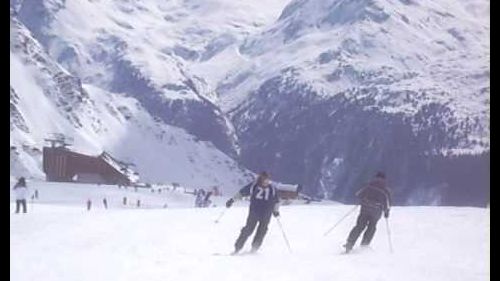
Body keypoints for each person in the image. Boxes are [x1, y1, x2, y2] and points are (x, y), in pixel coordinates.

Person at [225, 172, 280, 254]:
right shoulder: (253, 186)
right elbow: (241, 193)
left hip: (266, 212)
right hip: (255, 211)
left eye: (267, 180)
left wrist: (276, 211)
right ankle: (238, 247)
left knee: (262, 230)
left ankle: (255, 248)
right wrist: (232, 200)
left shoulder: (272, 189)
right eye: (264, 180)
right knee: (248, 229)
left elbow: (276, 201)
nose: (266, 182)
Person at [344, 172, 391, 253]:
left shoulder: (368, 186)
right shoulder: (385, 190)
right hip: (376, 212)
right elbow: (387, 203)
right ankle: (364, 245)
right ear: (384, 179)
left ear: (375, 177)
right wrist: (386, 213)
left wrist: (363, 200)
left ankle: (350, 243)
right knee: (371, 227)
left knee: (359, 226)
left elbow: (358, 195)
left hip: (365, 209)